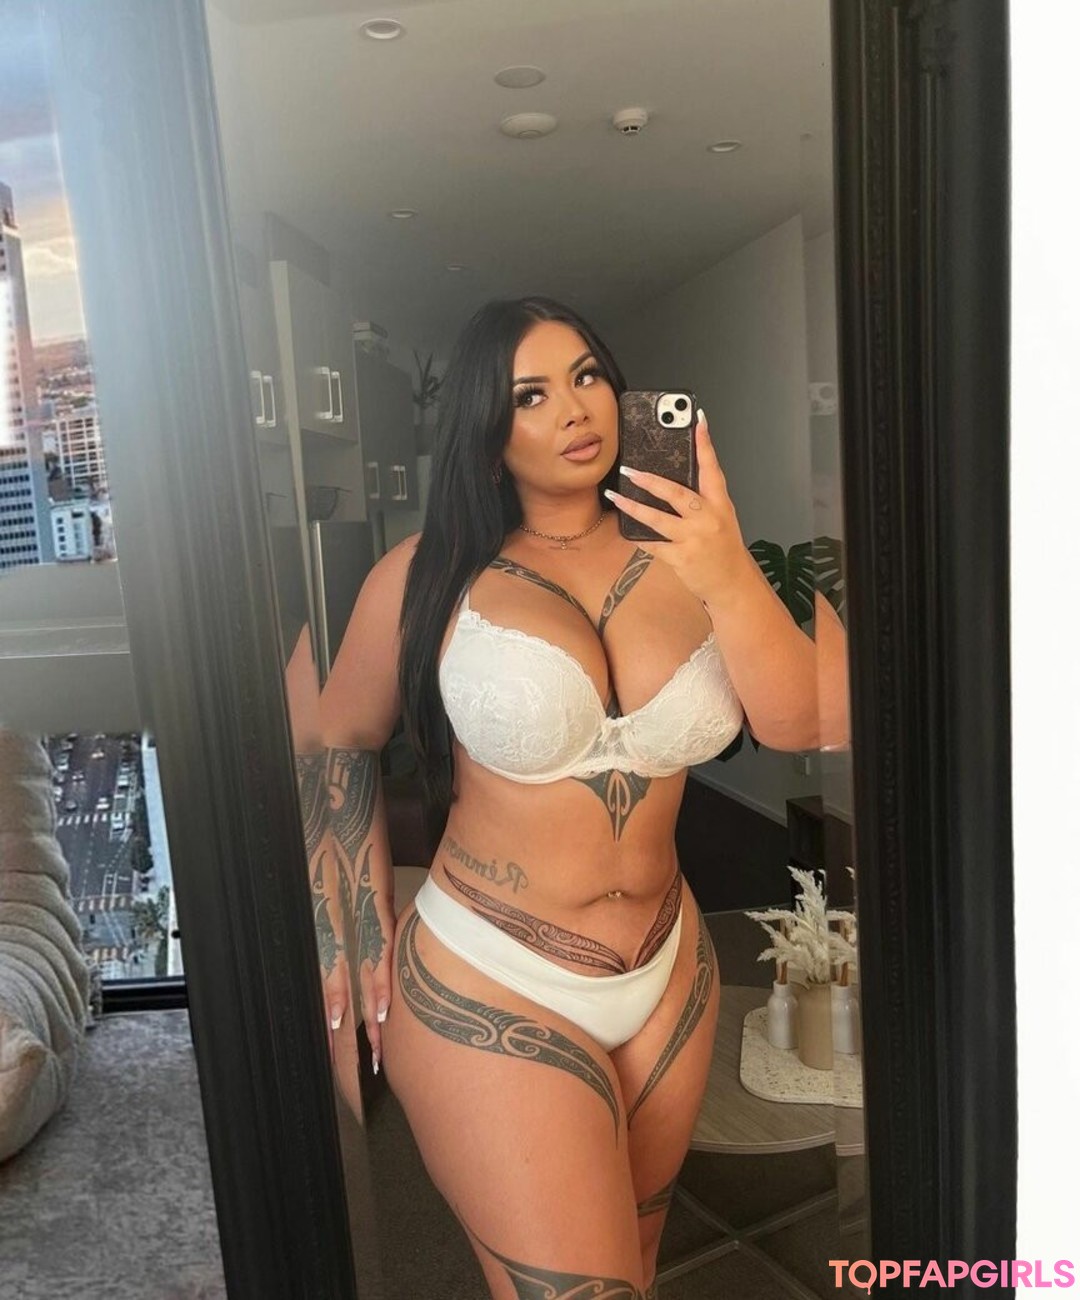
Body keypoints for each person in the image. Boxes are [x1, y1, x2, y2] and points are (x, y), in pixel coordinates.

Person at [313, 296, 831, 1299]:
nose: (575, 408)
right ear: (486, 431)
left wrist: (727, 568)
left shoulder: (693, 559)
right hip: (490, 971)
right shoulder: (424, 575)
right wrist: (352, 910)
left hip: (669, 967)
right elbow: (339, 735)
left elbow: (801, 720)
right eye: (531, 395)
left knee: (637, 1267)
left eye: (587, 375)